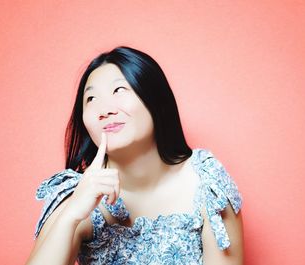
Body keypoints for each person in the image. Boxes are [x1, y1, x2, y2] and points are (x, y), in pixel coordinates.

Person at [25, 46, 244, 265]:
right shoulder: (80, 193)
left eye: (118, 90)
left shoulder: (207, 183)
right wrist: (71, 214)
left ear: (155, 98)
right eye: (91, 98)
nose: (104, 110)